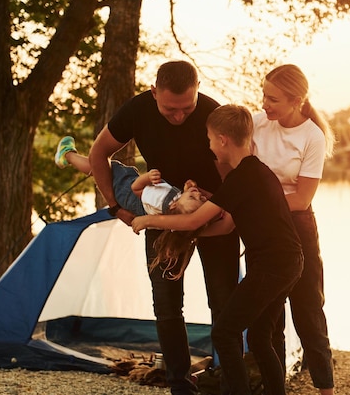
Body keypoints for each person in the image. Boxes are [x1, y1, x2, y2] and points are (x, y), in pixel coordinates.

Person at [88, 61, 241, 395]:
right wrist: (115, 206)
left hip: (212, 212)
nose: (179, 116)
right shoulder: (137, 110)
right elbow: (98, 153)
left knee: (224, 302)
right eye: (170, 109)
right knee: (168, 305)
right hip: (164, 212)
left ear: (198, 88)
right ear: (154, 92)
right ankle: (180, 385)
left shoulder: (213, 113)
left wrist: (227, 211)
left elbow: (235, 169)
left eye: (187, 108)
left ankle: (231, 384)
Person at [132, 104, 304, 395]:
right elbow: (224, 226)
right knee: (261, 338)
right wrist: (190, 232)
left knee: (224, 333)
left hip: (272, 268)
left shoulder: (242, 178)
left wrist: (148, 220)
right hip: (288, 263)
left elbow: (193, 220)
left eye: (210, 138)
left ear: (223, 139)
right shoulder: (254, 172)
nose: (208, 144)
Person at [252, 64, 336, 395]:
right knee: (269, 316)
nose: (264, 104)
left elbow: (301, 198)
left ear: (296, 100)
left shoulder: (312, 136)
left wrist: (254, 204)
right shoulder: (258, 124)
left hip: (298, 230)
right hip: (262, 231)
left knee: (308, 312)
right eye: (263, 95)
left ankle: (326, 389)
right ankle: (276, 388)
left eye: (272, 99)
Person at [54, 136, 210, 279]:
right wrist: (190, 189)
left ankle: (67, 155)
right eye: (200, 198)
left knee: (99, 167)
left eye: (192, 197)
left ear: (175, 205)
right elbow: (187, 201)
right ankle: (69, 156)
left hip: (126, 190)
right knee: (96, 169)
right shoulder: (174, 211)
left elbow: (136, 188)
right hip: (133, 198)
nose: (198, 194)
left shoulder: (160, 200)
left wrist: (146, 178)